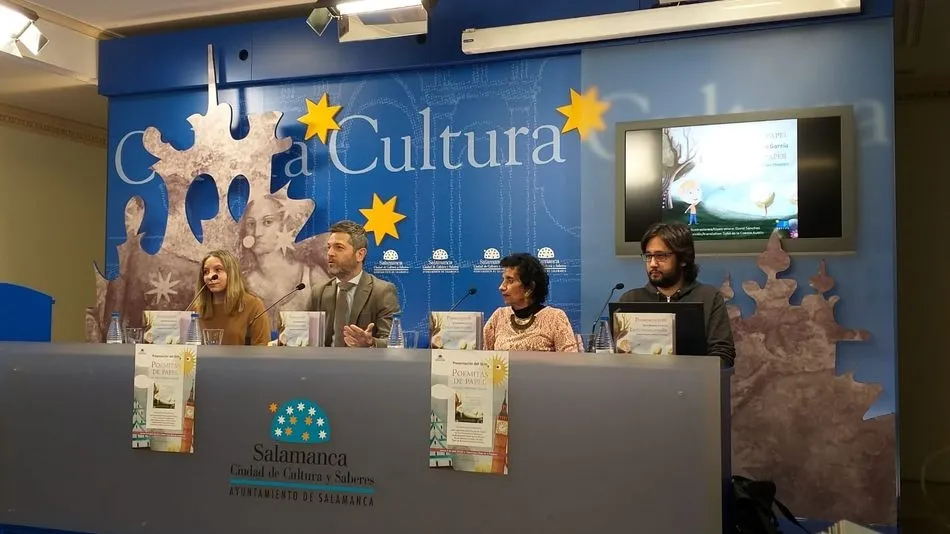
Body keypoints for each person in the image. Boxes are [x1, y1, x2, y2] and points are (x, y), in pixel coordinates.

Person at [618, 222, 736, 366]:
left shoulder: (709, 297)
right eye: (648, 256)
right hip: (642, 385)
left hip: (694, 385)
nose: (653, 263)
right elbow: (620, 354)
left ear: (683, 259)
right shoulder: (630, 300)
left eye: (660, 256)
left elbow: (723, 353)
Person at [308, 220, 400, 347]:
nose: (330, 253)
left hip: (364, 365)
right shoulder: (319, 292)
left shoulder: (382, 291)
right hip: (324, 364)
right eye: (329, 247)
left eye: (338, 247)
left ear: (360, 254)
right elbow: (306, 337)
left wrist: (370, 342)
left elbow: (392, 342)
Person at [483, 253, 577, 352]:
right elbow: (486, 360)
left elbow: (571, 362)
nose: (502, 287)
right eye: (503, 280)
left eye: (510, 280)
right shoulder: (498, 316)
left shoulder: (555, 317)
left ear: (529, 288)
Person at [192, 249, 271, 345]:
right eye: (206, 272)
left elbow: (262, 347)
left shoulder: (253, 305)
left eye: (218, 270)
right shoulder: (196, 308)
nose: (210, 276)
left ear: (231, 274)